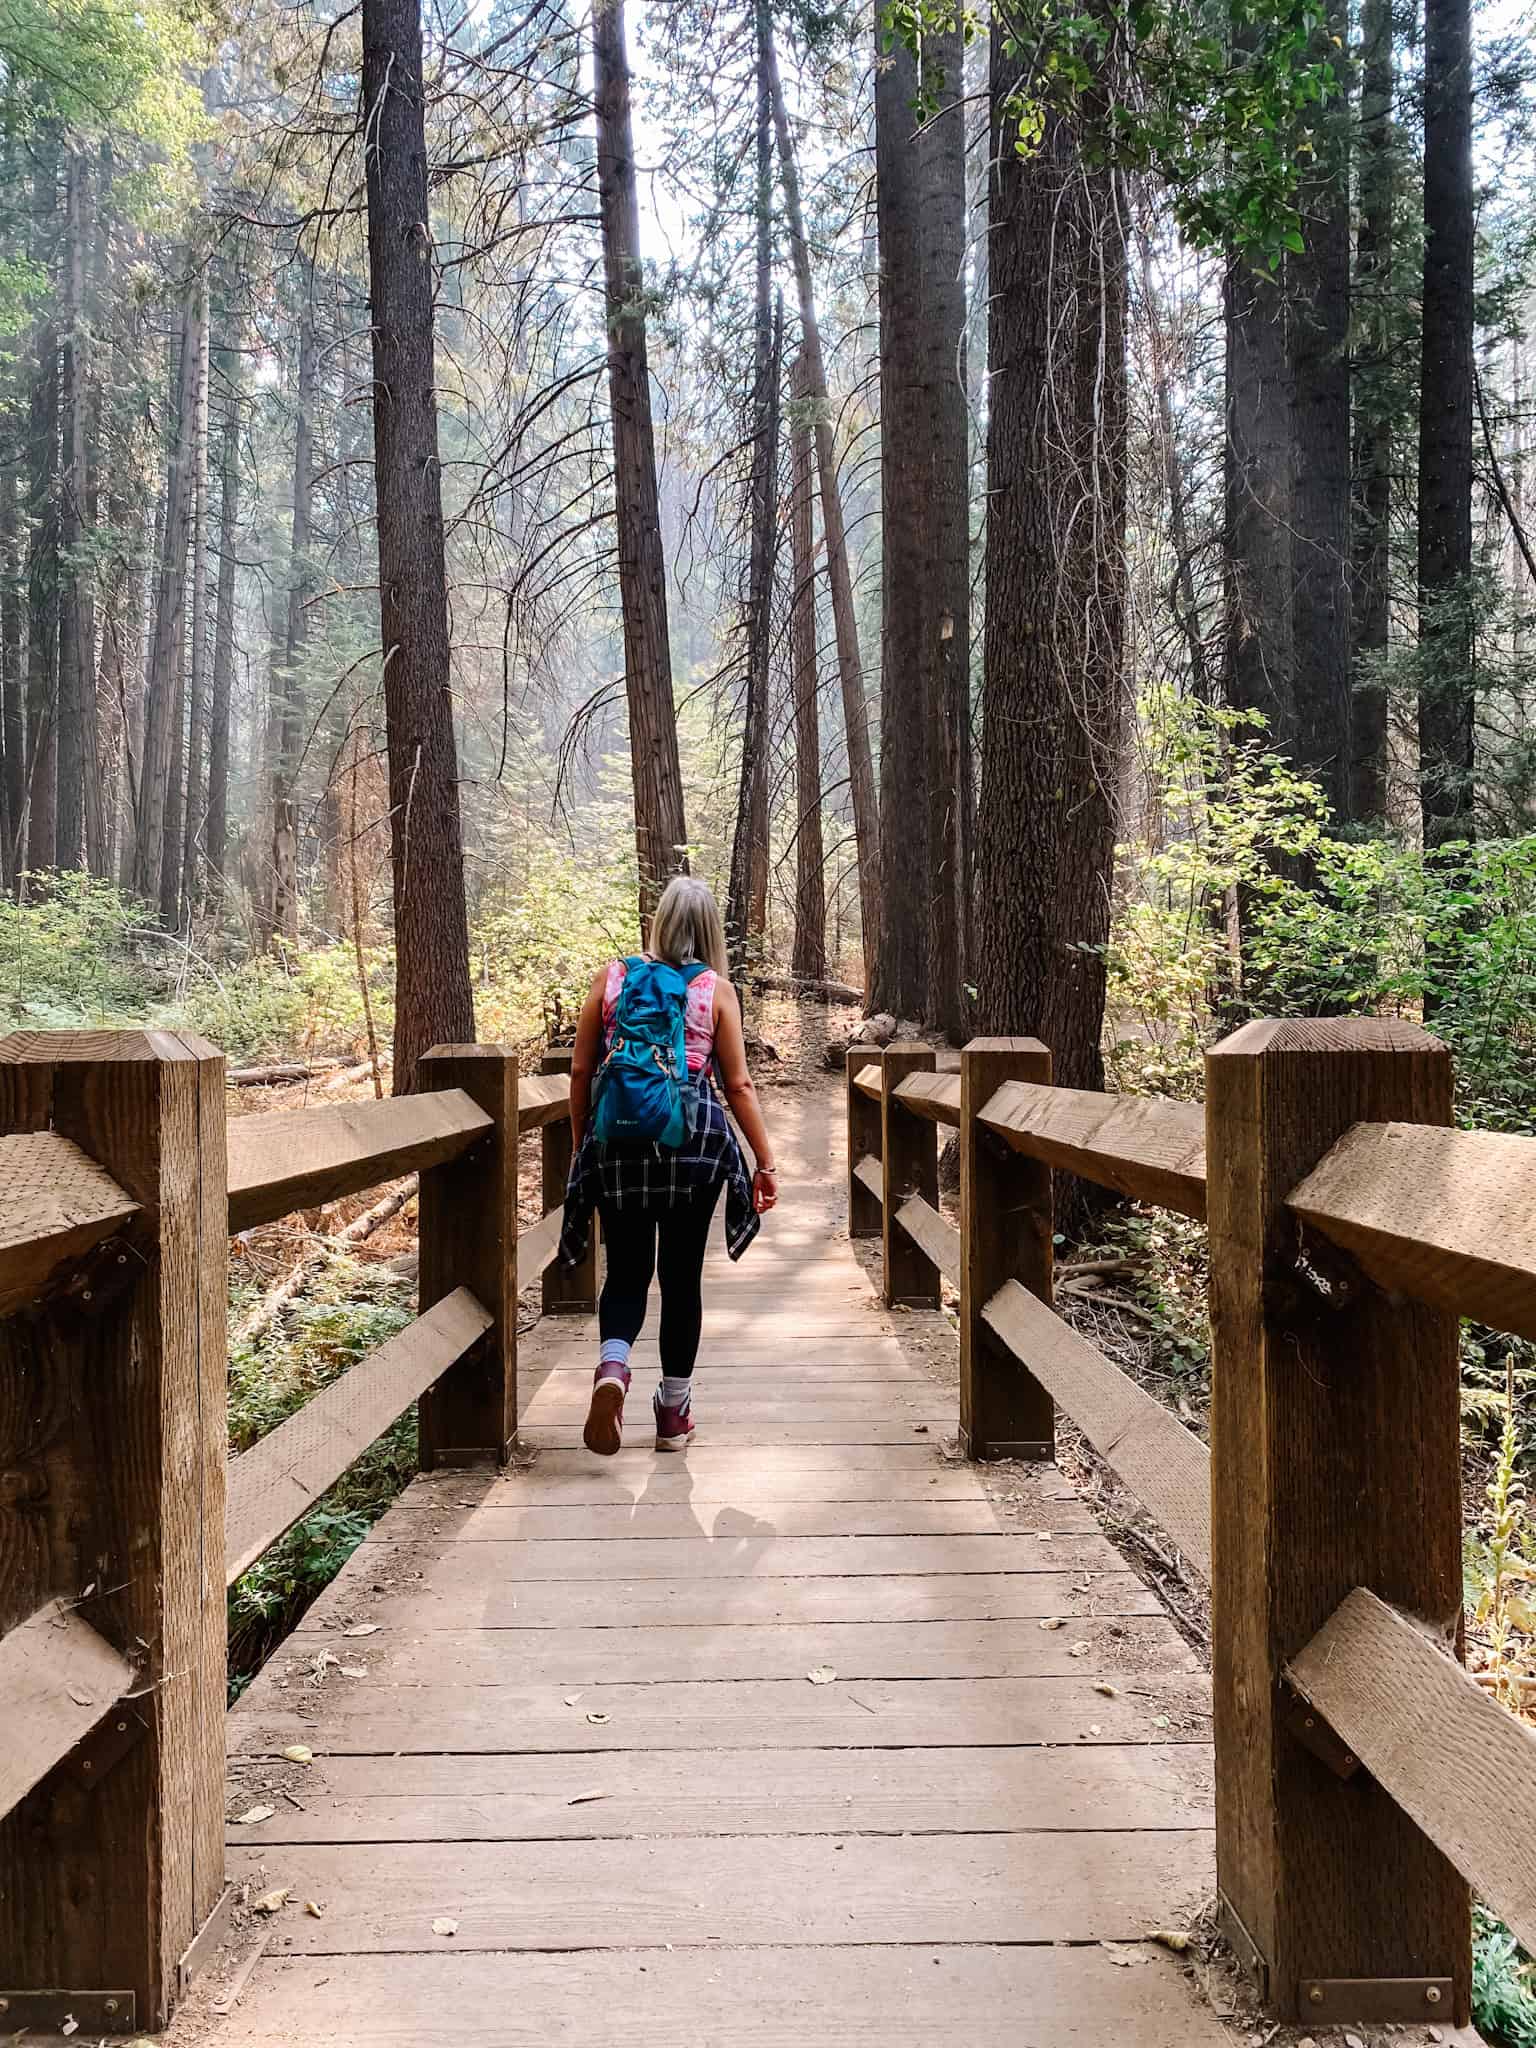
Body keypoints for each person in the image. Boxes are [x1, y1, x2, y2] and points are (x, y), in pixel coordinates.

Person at [558, 875, 779, 1456]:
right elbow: (738, 1083)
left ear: (657, 923)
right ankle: (673, 1415)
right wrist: (765, 1160)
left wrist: (586, 1146)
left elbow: (581, 1074)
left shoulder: (612, 978)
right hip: (695, 1146)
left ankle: (613, 1369)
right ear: (708, 930)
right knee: (681, 1279)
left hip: (618, 1145)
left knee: (627, 1271)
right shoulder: (715, 989)